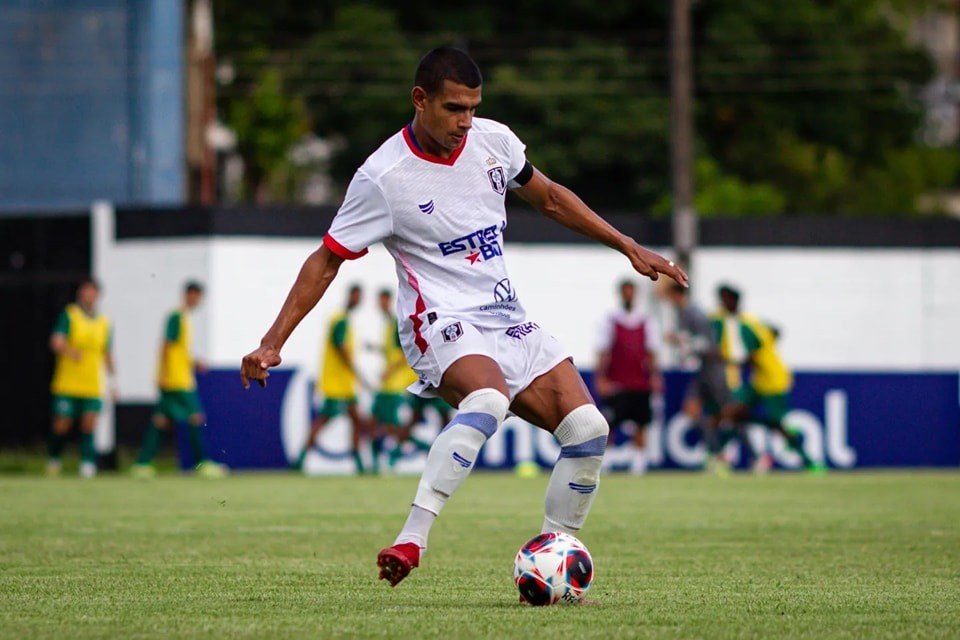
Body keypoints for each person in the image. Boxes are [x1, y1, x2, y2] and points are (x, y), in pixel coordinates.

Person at [240, 47, 687, 588]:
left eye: (473, 108)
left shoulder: (494, 142)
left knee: (589, 430)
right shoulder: (384, 176)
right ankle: (412, 537)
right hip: (439, 322)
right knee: (488, 399)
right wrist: (272, 341)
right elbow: (327, 258)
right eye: (454, 108)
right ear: (419, 99)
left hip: (506, 316)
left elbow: (549, 199)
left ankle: (551, 568)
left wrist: (626, 244)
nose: (465, 122)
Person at [712, 284, 823, 474]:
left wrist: (729, 361)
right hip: (759, 380)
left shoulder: (747, 324)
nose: (721, 304)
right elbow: (776, 331)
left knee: (774, 424)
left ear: (733, 301)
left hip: (774, 380)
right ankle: (717, 454)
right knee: (735, 413)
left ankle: (809, 462)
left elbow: (746, 353)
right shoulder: (747, 321)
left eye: (723, 299)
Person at [131, 281, 225, 478]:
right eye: (197, 296)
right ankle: (202, 464)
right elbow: (166, 346)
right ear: (189, 295)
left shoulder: (183, 318)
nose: (198, 301)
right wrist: (164, 374)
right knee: (196, 417)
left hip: (176, 377)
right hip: (177, 380)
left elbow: (178, 351)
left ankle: (142, 464)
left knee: (160, 420)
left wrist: (194, 361)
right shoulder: (176, 317)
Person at [293, 284, 371, 474]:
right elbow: (340, 346)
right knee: (324, 421)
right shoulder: (341, 319)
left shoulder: (343, 319)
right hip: (336, 383)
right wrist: (355, 369)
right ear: (350, 296)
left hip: (344, 383)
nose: (358, 300)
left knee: (355, 421)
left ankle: (360, 465)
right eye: (356, 296)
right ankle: (300, 460)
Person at [47, 278, 115, 478]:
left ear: (98, 296)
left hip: (92, 383)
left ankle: (87, 463)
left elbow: (107, 354)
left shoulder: (104, 322)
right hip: (67, 383)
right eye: (86, 291)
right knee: (62, 424)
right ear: (80, 294)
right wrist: (69, 351)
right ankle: (54, 458)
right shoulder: (70, 315)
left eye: (93, 292)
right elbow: (56, 341)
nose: (89, 295)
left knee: (89, 423)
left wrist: (113, 382)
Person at [594, 279, 663, 475]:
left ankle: (639, 462)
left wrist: (655, 376)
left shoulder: (646, 321)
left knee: (641, 423)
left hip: (640, 381)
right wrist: (601, 378)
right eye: (625, 292)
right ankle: (605, 461)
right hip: (617, 382)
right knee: (610, 423)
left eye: (631, 292)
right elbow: (603, 351)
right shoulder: (610, 320)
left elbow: (652, 352)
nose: (628, 296)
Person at [661, 282, 730, 474]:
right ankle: (716, 453)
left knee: (727, 414)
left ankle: (754, 456)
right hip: (703, 371)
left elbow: (706, 344)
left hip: (713, 370)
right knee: (692, 410)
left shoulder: (693, 312)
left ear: (676, 294)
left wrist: (679, 341)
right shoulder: (684, 313)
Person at [370, 289, 432, 472]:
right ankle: (373, 467)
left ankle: (423, 448)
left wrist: (388, 371)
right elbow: (393, 350)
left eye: (383, 300)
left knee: (391, 427)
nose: (381, 304)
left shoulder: (397, 323)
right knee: (376, 423)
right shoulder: (389, 324)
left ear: (389, 300)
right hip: (387, 385)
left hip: (396, 384)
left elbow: (401, 354)